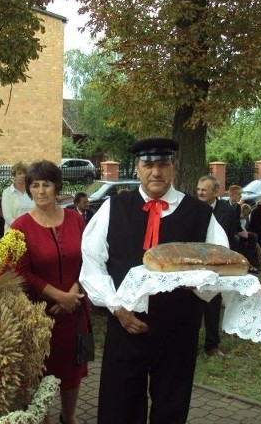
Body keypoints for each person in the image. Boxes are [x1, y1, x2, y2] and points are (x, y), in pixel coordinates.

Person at [80, 138, 228, 424]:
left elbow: (219, 265)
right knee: (118, 404)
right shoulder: (114, 208)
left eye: (163, 165)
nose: (156, 173)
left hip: (178, 328)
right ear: (137, 169)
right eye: (148, 165)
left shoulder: (199, 214)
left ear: (172, 169)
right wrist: (117, 307)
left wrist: (198, 286)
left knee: (171, 405)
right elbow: (92, 263)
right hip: (126, 323)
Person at [11, 160, 87, 424]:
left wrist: (74, 294)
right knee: (41, 368)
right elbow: (21, 273)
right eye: (35, 185)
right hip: (41, 313)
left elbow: (90, 259)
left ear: (57, 187)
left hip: (76, 308)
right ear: (29, 189)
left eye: (47, 184)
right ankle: (42, 417)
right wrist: (58, 296)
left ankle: (69, 416)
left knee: (74, 368)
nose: (41, 191)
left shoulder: (77, 219)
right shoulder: (20, 227)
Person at [196, 175, 238, 358]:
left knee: (212, 305)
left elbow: (231, 237)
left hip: (216, 266)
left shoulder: (227, 211)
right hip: (195, 265)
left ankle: (212, 345)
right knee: (192, 307)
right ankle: (189, 343)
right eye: (198, 189)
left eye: (204, 190)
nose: (200, 193)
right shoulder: (192, 208)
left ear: (215, 191)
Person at [1, 161, 33, 231]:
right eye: (19, 173)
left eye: (25, 173)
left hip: (33, 232)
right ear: (14, 175)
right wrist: (22, 230)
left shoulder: (33, 191)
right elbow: (8, 217)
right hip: (14, 234)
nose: (23, 176)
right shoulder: (7, 193)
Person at [240, 203, 261, 273]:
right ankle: (252, 265)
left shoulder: (247, 219)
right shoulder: (237, 219)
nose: (246, 216)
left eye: (247, 214)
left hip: (247, 238)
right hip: (240, 239)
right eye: (245, 214)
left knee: (257, 245)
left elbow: (249, 229)